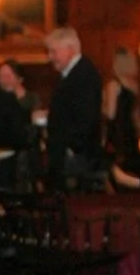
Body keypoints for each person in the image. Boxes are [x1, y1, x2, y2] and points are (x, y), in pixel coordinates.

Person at [45, 25, 106, 187]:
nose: (50, 57)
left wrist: (70, 147)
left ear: (70, 50)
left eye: (54, 52)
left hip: (78, 157)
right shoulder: (72, 74)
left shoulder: (84, 75)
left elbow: (86, 118)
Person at [103, 47, 140, 174]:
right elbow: (135, 115)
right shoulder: (133, 86)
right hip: (130, 132)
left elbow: (110, 114)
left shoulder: (114, 85)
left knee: (117, 170)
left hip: (117, 133)